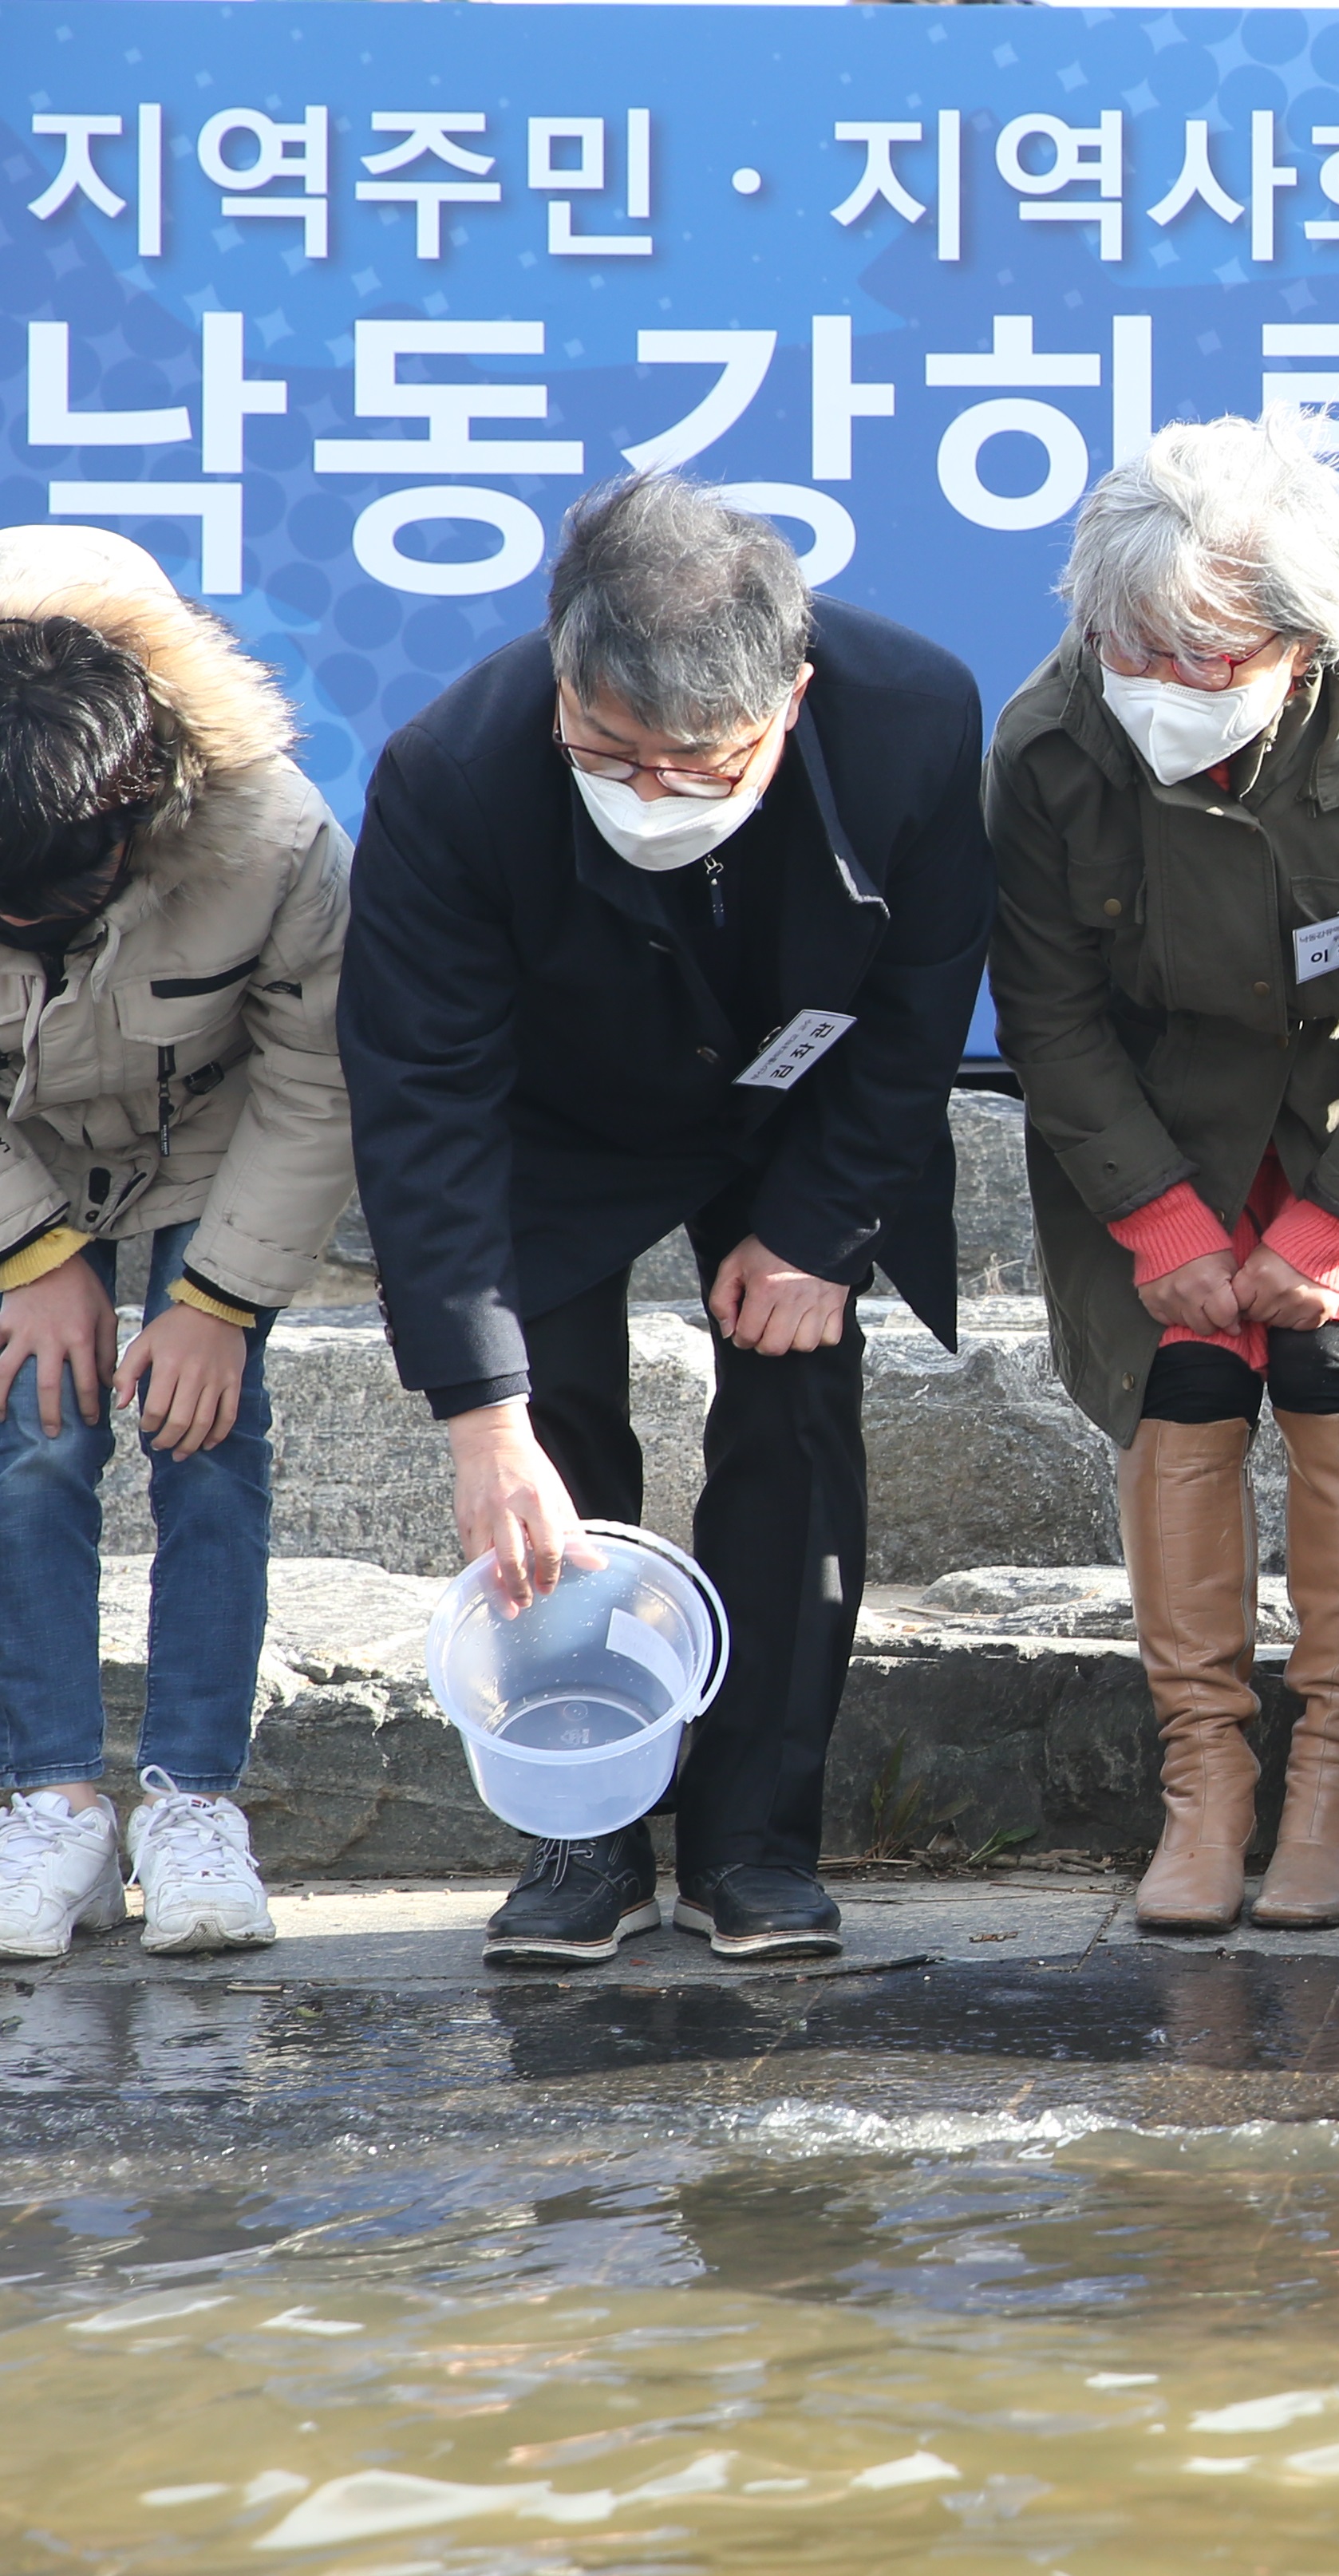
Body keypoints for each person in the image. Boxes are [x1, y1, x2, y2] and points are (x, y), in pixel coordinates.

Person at [341, 473, 989, 1966]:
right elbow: (422, 1099)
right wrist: (478, 1414)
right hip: (545, 1124)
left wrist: (826, 1224)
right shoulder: (450, 771)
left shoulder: (911, 715)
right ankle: (581, 1839)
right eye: (607, 748)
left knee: (795, 1420)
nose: (647, 788)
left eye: (699, 763)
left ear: (792, 698)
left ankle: (756, 1841)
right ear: (559, 670)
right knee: (547, 1439)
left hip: (793, 1107)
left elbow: (917, 995)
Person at [989, 414, 1339, 1934]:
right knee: (1184, 1371)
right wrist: (1158, 1218)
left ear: (1299, 648)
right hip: (1161, 1106)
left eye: (1208, 662)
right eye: (1134, 654)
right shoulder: (1046, 747)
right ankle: (1205, 1780)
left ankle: (1338, 1772)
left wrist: (1334, 1223)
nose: (1164, 690)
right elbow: (1045, 1006)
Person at [0, 527, 354, 1961]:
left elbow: (317, 1076)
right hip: (21, 1155)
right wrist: (30, 1258)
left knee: (210, 1433)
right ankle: (50, 1804)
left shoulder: (273, 834)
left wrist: (217, 1299)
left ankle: (197, 1803)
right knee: (36, 1425)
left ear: (135, 818)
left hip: (206, 1142)